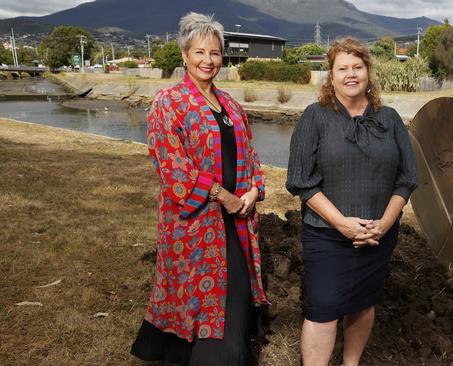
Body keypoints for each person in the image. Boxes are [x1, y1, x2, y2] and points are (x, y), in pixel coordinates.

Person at [130, 12, 267, 366]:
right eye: (199, 53)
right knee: (194, 297)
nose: (208, 60)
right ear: (184, 56)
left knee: (233, 292)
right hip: (192, 225)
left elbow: (250, 155)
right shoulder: (168, 103)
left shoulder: (232, 106)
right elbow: (172, 167)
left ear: (223, 57)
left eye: (215, 53)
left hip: (236, 219)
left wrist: (253, 191)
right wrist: (224, 196)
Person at [285, 37, 419, 366]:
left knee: (363, 303)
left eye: (357, 67)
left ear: (368, 73)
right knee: (322, 309)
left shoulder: (389, 119)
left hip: (377, 236)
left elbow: (407, 178)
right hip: (327, 235)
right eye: (342, 68)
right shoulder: (314, 117)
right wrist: (342, 223)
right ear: (331, 77)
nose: (351, 75)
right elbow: (300, 180)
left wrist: (385, 224)